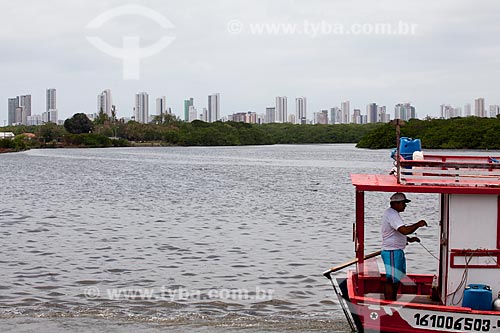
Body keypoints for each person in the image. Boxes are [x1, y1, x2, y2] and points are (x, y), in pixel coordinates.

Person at [381, 192, 427, 301]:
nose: (405, 205)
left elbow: (396, 233)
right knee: (391, 279)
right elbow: (404, 230)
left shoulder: (394, 214)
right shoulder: (392, 214)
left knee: (397, 278)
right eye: (403, 203)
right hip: (391, 251)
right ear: (396, 203)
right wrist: (418, 224)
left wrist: (409, 240)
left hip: (397, 251)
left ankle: (393, 299)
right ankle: (389, 302)